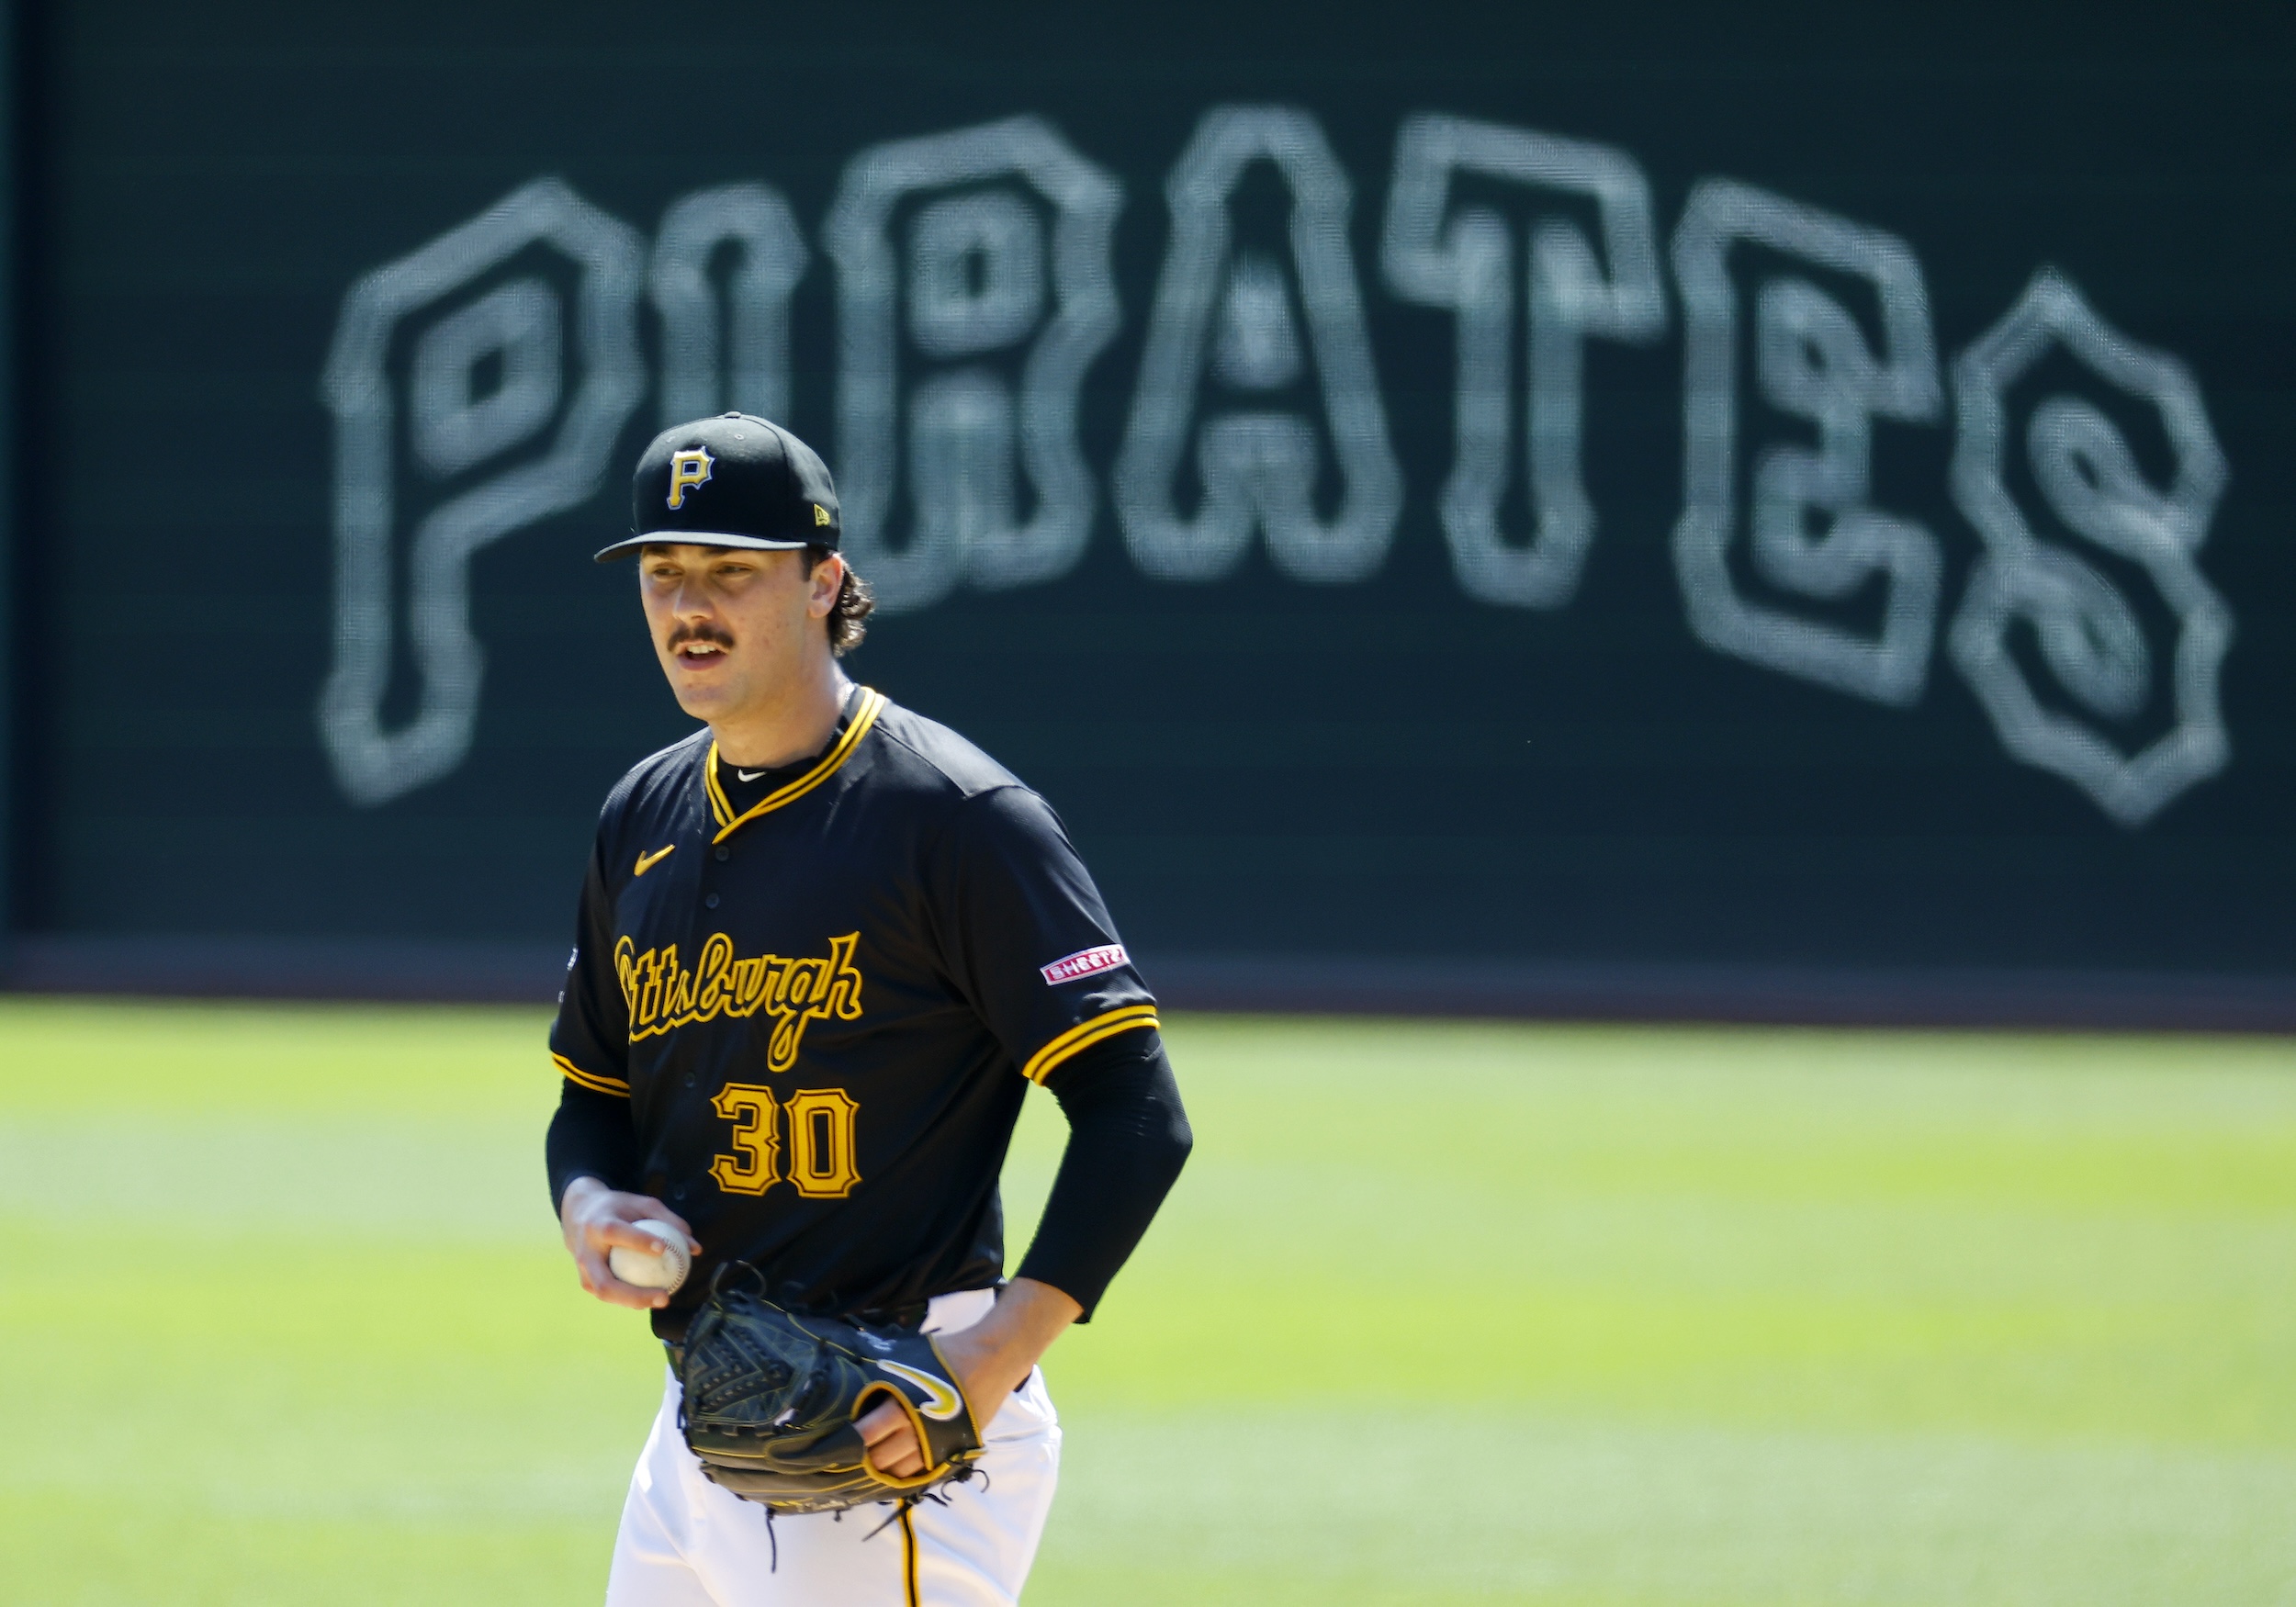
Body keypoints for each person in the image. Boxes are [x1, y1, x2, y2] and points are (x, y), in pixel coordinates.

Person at [545, 413, 1193, 1605]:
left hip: (893, 1407)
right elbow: (589, 1095)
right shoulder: (642, 815)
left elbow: (1136, 1109)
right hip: (705, 1413)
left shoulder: (952, 816)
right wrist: (587, 1200)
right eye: (664, 574)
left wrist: (995, 1354)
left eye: (732, 572)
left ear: (823, 583)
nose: (691, 606)